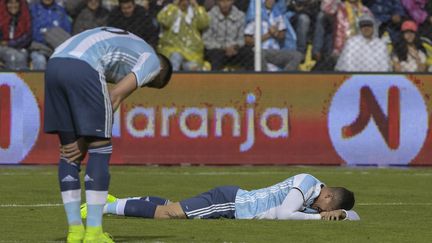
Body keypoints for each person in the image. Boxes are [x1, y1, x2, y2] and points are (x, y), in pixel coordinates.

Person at [44, 27, 173, 243]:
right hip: (83, 66)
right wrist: (85, 141)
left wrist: (79, 142)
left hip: (54, 63)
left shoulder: (131, 43)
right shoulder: (151, 61)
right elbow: (114, 97)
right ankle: (94, 233)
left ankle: (75, 232)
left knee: (69, 153)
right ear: (159, 71)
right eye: (151, 83)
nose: (145, 85)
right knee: (100, 148)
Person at [81, 173, 360, 221]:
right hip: (231, 202)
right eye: (326, 206)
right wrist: (320, 220)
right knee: (169, 214)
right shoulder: (306, 182)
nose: (320, 209)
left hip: (231, 202)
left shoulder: (316, 198)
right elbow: (283, 215)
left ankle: (120, 200)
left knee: (169, 206)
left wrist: (344, 215)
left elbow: (357, 218)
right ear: (328, 194)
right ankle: (103, 208)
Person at [244, 0, 303, 71]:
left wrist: (276, 33)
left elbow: (282, 35)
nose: (271, 1)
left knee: (297, 56)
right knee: (259, 54)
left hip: (275, 52)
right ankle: (265, 80)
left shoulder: (277, 15)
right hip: (261, 50)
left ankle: (283, 78)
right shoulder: (255, 17)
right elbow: (247, 40)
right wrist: (268, 35)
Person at [157, 0, 209, 71]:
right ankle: (173, 80)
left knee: (193, 68)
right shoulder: (171, 10)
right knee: (176, 57)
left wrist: (196, 6)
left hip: (192, 51)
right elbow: (164, 21)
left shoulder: (193, 11)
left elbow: (204, 23)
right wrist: (174, 6)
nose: (184, 2)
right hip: (171, 49)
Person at [202, 0, 254, 70]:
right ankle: (215, 80)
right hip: (217, 50)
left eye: (228, 1)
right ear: (217, 2)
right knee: (215, 56)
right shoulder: (209, 16)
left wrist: (234, 47)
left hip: (234, 50)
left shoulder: (240, 16)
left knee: (249, 53)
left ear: (233, 1)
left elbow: (241, 39)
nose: (225, 4)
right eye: (222, 1)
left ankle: (250, 79)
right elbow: (206, 40)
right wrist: (224, 48)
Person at [29, 0, 72, 70]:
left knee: (64, 62)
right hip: (39, 47)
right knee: (40, 60)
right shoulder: (33, 9)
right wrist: (48, 37)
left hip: (57, 48)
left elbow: (67, 31)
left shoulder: (60, 10)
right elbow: (32, 32)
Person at [0, 0, 31, 70]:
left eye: (16, 2)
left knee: (22, 56)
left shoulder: (25, 16)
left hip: (20, 46)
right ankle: (11, 80)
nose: (13, 5)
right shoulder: (2, 16)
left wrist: (10, 43)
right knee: (12, 55)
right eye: (10, 3)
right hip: (3, 47)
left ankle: (23, 80)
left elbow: (28, 36)